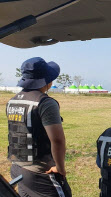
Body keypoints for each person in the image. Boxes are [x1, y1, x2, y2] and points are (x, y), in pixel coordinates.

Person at [7, 57, 71, 197]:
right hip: (40, 173)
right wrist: (60, 168)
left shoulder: (12, 101)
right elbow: (58, 140)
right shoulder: (45, 103)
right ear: (47, 80)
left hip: (17, 168)